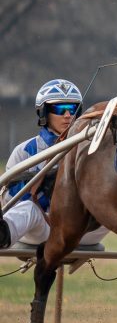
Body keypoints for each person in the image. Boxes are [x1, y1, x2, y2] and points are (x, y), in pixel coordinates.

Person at [1, 79, 107, 250]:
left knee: (115, 206)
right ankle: (3, 236)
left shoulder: (91, 149)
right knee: (28, 209)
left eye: (72, 109)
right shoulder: (25, 151)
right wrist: (46, 190)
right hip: (43, 228)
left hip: (82, 231)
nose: (67, 115)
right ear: (44, 113)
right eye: (59, 109)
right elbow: (10, 200)